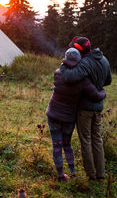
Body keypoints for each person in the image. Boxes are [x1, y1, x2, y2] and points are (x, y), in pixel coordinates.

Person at [46, 48, 106, 182]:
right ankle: (72, 173)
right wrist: (103, 93)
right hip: (68, 118)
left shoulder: (58, 73)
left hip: (53, 114)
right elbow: (96, 95)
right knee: (67, 145)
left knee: (57, 145)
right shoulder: (83, 80)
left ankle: (61, 176)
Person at [60, 36, 112, 182]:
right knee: (97, 139)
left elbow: (69, 77)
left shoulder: (85, 62)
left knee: (86, 140)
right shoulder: (104, 59)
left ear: (79, 49)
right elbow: (108, 80)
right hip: (98, 107)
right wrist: (98, 86)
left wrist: (63, 65)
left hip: (85, 108)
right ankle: (101, 175)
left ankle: (91, 175)